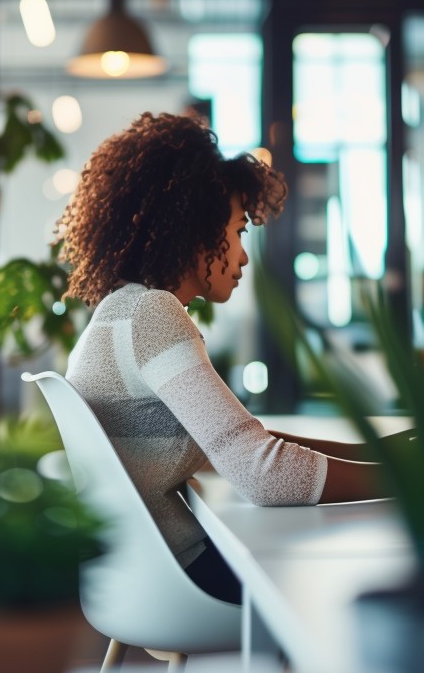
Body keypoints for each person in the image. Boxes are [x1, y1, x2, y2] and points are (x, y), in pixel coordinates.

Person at [57, 113, 379, 604]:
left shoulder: (120, 311)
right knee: (368, 569)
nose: (244, 255)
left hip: (141, 576)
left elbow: (239, 444)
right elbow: (262, 473)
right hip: (183, 581)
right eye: (238, 231)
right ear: (193, 229)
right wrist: (410, 479)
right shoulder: (151, 313)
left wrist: (387, 454)